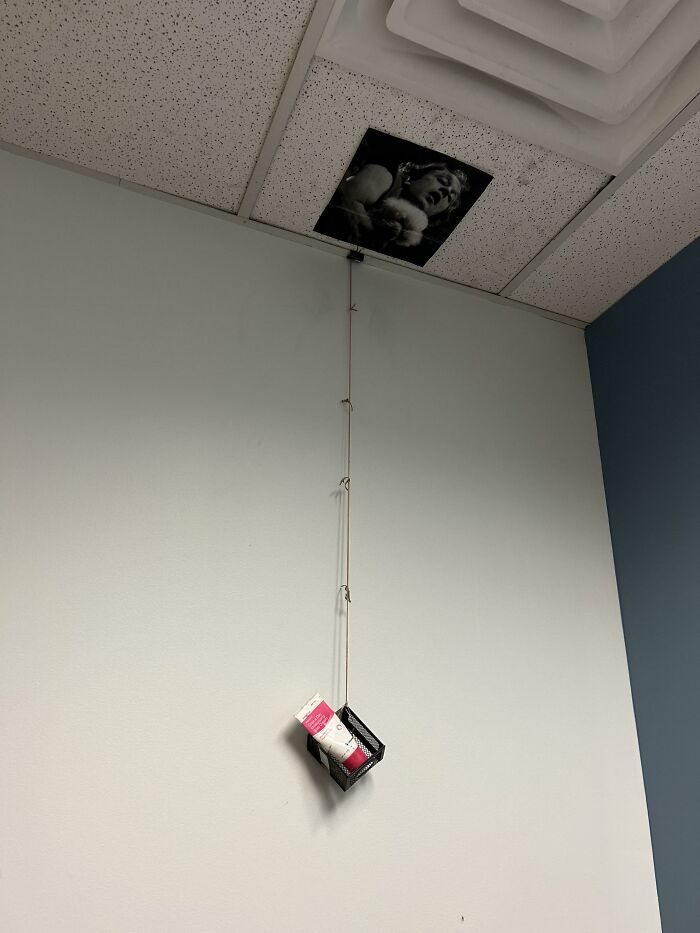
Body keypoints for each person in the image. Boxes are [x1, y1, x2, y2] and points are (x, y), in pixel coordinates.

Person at [317, 159, 470, 254]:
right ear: (413, 177)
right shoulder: (385, 176)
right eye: (442, 181)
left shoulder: (409, 244)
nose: (445, 192)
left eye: (450, 197)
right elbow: (345, 205)